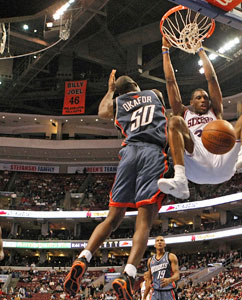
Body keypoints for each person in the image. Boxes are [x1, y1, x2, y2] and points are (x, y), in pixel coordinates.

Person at [64, 69, 168, 300]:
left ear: (119, 90)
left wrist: (111, 91)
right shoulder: (155, 93)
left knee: (112, 219)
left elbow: (102, 111)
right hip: (152, 152)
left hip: (128, 153)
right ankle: (127, 275)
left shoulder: (119, 102)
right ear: (136, 84)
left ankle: (84, 257)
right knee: (144, 224)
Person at [157, 37, 242, 199]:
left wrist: (201, 50)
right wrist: (165, 51)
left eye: (205, 97)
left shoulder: (215, 111)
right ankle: (180, 179)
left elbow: (212, 79)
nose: (203, 100)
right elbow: (170, 81)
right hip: (196, 161)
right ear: (191, 102)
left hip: (223, 160)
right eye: (199, 98)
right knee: (174, 121)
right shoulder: (184, 113)